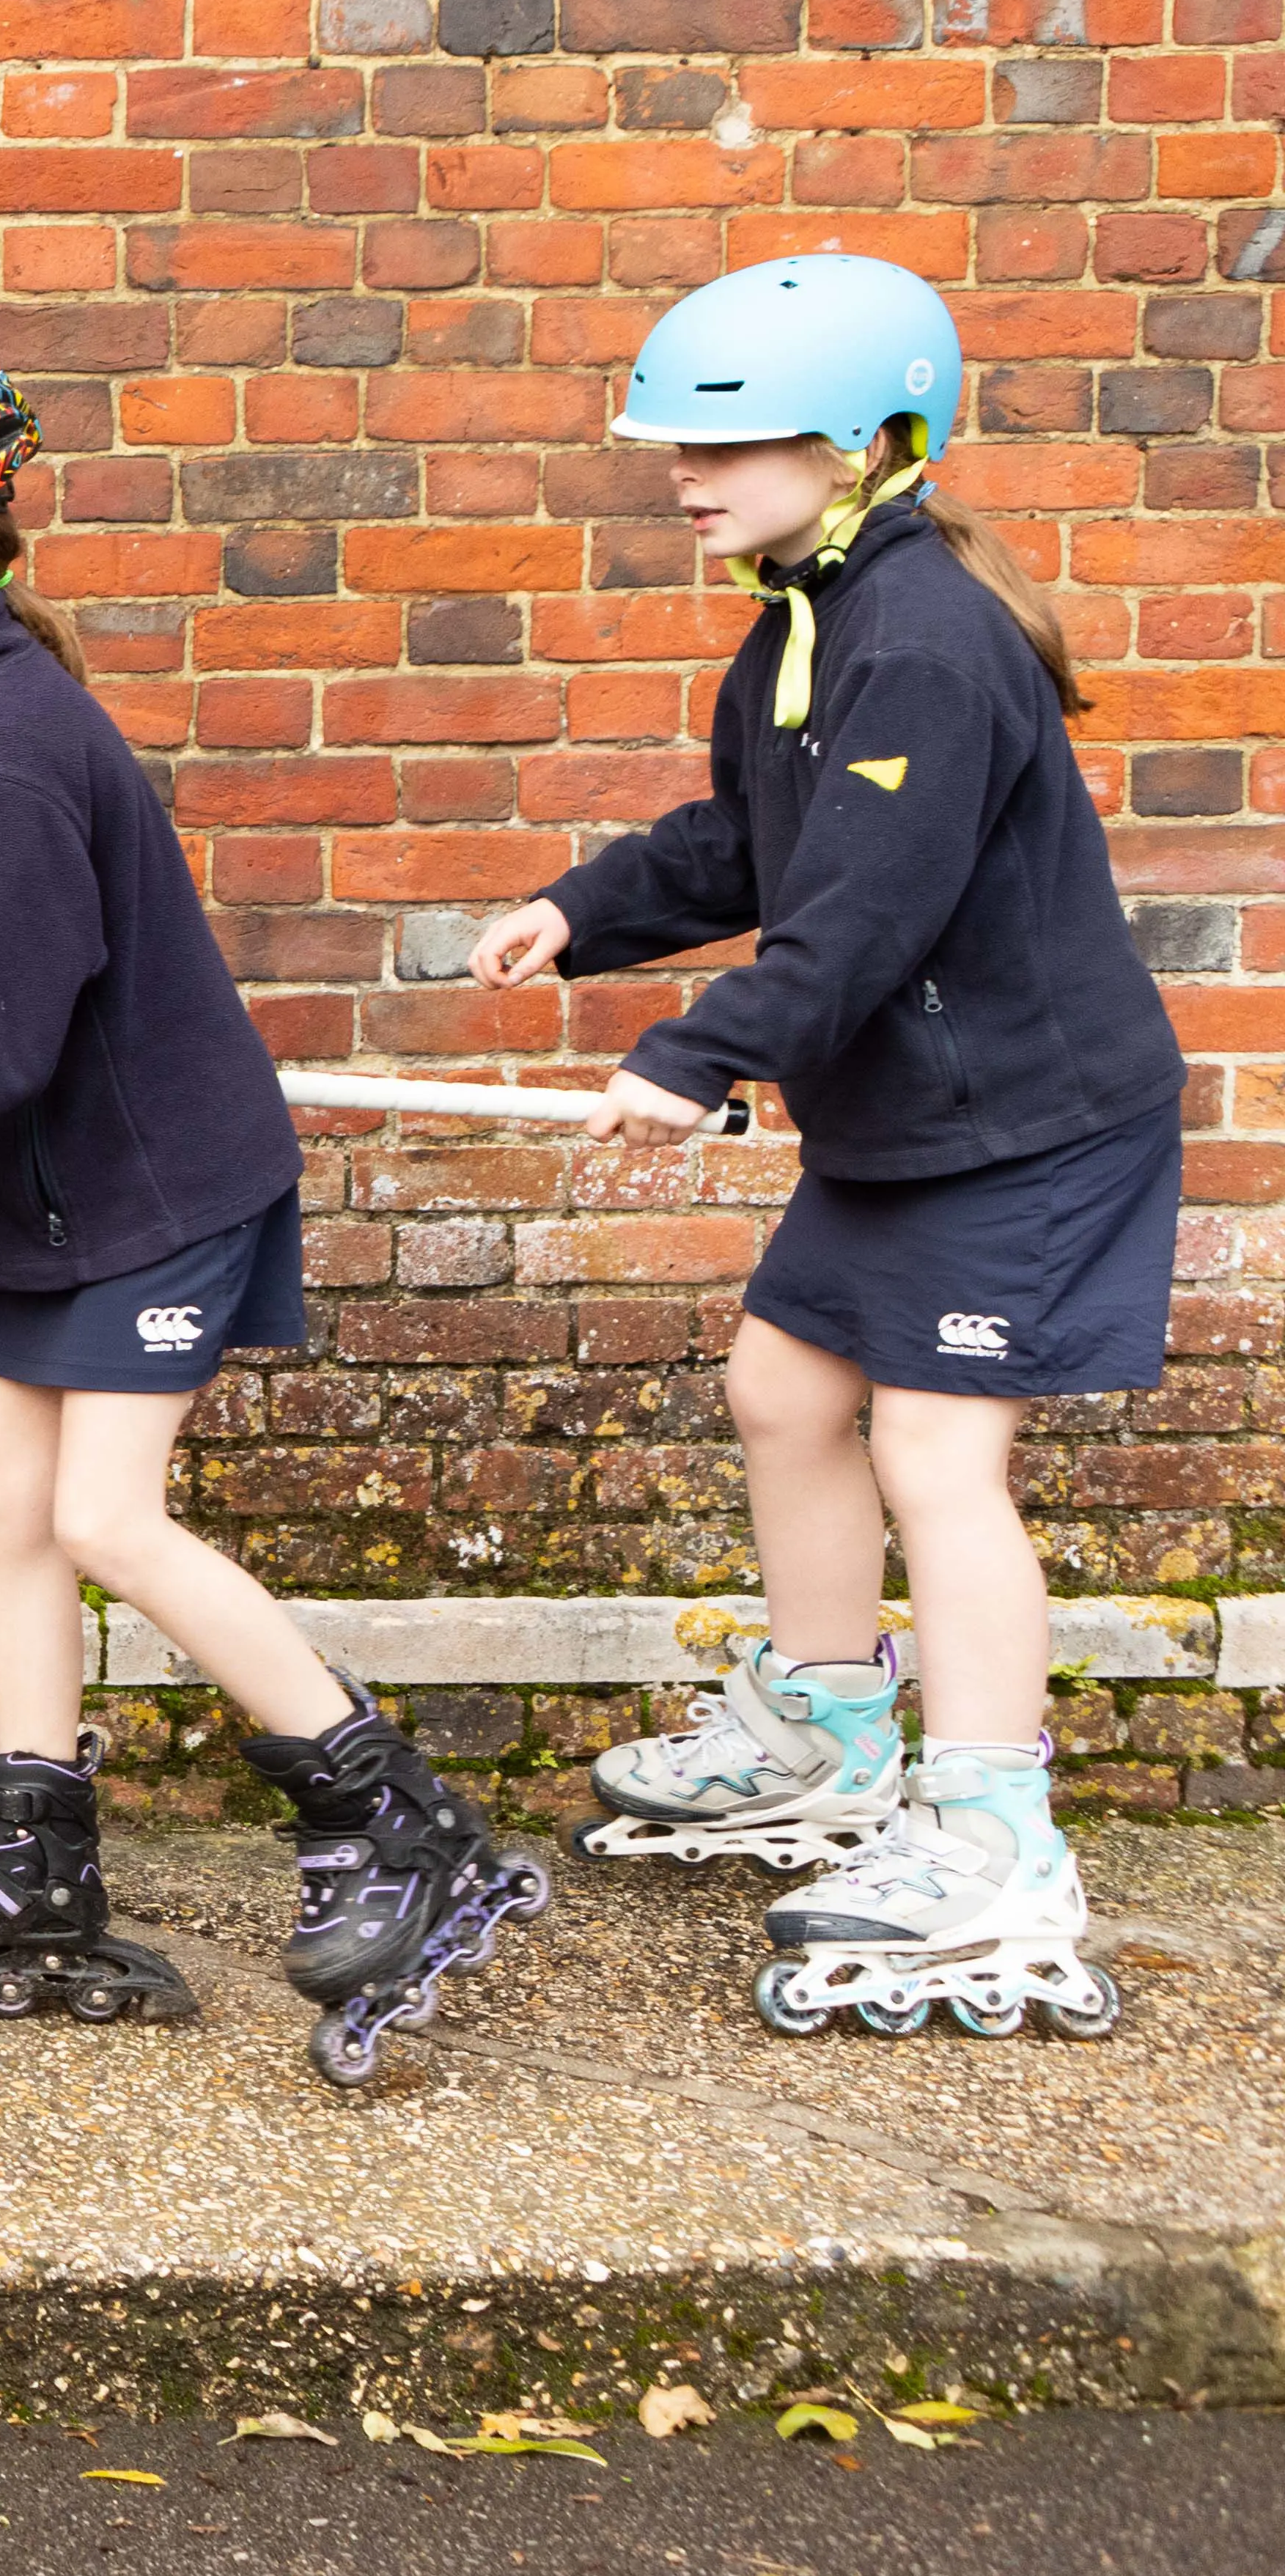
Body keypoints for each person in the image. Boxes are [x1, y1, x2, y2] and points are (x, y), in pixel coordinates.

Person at [0, 364, 546, 2087]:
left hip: (146, 1189)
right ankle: (34, 1833)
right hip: (58, 1195)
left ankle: (396, 1818)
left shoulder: (5, 741)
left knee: (103, 1513)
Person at [469, 255, 1175, 2040]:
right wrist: (577, 908)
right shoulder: (804, 612)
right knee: (785, 1386)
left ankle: (993, 1833)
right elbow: (749, 840)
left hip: (1024, 1126)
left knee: (940, 1459)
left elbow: (858, 918)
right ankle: (831, 1725)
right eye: (677, 448)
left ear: (868, 444)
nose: (687, 478)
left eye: (738, 444)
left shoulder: (926, 639)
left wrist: (697, 1058)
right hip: (909, 1118)